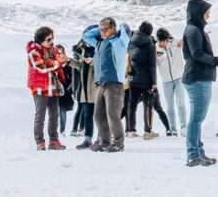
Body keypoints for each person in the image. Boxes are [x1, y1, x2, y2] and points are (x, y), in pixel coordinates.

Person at [183, 0, 218, 167]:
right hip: (197, 78)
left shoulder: (196, 29)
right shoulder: (192, 30)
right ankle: (193, 154)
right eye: (206, 12)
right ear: (198, 13)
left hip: (201, 77)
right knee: (196, 118)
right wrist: (216, 61)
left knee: (198, 117)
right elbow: (197, 53)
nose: (208, 16)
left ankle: (199, 152)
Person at [82, 18, 131, 152]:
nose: (102, 32)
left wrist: (118, 24)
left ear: (113, 29)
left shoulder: (119, 42)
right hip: (100, 83)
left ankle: (118, 143)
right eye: (101, 29)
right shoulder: (99, 42)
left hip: (114, 83)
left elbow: (126, 29)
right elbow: (85, 35)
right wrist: (100, 29)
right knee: (98, 115)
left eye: (105, 29)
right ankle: (105, 142)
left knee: (112, 113)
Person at [27, 26, 68, 150]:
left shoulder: (53, 50)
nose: (52, 42)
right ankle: (40, 142)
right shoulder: (33, 53)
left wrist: (63, 61)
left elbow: (58, 65)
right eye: (49, 39)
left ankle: (54, 141)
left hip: (53, 87)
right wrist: (58, 62)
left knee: (54, 115)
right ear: (41, 40)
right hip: (40, 88)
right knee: (40, 115)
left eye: (52, 39)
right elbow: (42, 67)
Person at [127, 21, 167, 140]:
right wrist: (154, 82)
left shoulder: (131, 41)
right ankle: (148, 131)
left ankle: (131, 130)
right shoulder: (150, 43)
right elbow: (152, 65)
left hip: (132, 77)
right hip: (146, 79)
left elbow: (128, 58)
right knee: (148, 105)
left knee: (132, 104)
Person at [68, 37, 99, 150]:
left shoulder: (100, 48)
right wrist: (68, 60)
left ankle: (101, 139)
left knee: (99, 117)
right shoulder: (84, 50)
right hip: (85, 91)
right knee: (87, 116)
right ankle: (87, 139)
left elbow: (103, 65)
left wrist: (92, 62)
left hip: (96, 91)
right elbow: (80, 65)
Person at [156, 27, 187, 136]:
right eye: (160, 41)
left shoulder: (175, 43)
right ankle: (172, 128)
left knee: (180, 103)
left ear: (167, 39)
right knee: (169, 106)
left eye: (163, 41)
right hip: (166, 80)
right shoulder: (156, 48)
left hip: (179, 78)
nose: (161, 43)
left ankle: (184, 127)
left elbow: (187, 41)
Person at [55, 44, 76, 136]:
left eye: (61, 52)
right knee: (54, 112)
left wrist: (70, 89)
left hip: (65, 91)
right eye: (58, 53)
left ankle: (62, 130)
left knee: (62, 110)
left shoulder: (68, 65)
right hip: (54, 90)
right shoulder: (52, 64)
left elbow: (73, 78)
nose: (60, 55)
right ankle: (53, 130)